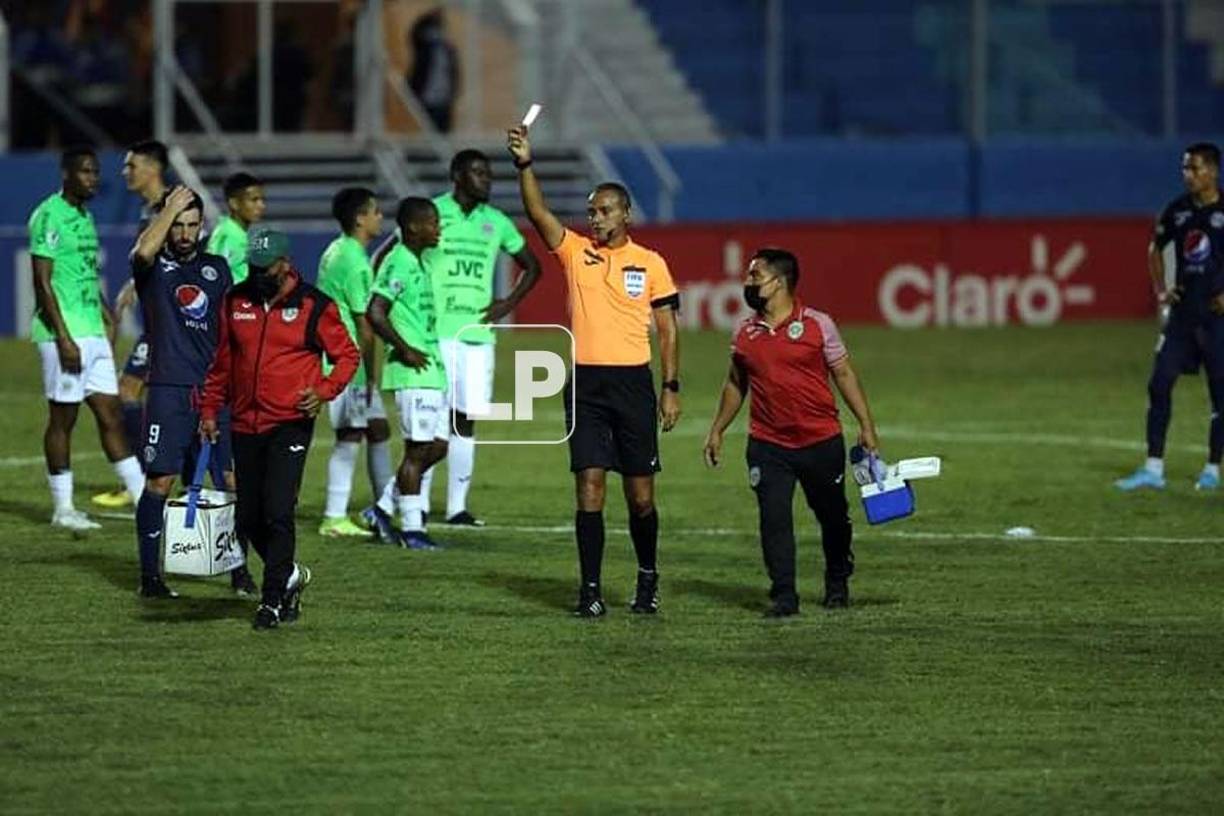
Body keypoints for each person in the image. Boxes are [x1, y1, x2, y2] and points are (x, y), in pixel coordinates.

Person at [507, 125, 681, 618]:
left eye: (605, 211)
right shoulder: (575, 252)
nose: (596, 219)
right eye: (592, 212)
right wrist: (525, 164)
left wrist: (670, 386)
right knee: (589, 486)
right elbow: (538, 214)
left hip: (633, 385)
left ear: (626, 214)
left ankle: (647, 577)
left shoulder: (651, 264)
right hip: (585, 385)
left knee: (640, 497)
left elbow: (667, 331)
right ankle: (590, 590)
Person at [703, 249, 879, 616]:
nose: (747, 283)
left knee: (832, 516)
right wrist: (717, 429)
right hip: (768, 445)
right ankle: (784, 595)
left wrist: (866, 424)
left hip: (820, 441)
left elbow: (843, 373)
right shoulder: (745, 332)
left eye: (755, 276)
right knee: (774, 519)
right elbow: (736, 383)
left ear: (779, 282)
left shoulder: (818, 325)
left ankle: (837, 580)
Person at [199, 228, 359, 630]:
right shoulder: (235, 301)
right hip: (244, 422)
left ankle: (270, 602)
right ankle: (287, 574)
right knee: (248, 516)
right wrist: (209, 409)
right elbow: (223, 362)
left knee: (278, 511)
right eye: (253, 268)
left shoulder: (314, 305)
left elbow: (346, 356)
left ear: (285, 263)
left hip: (290, 423)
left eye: (265, 268)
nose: (258, 275)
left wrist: (323, 391)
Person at [127, 185, 255, 599]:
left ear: (202, 227)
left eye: (192, 225)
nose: (185, 234)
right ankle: (151, 578)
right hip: (169, 390)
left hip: (215, 392)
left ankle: (239, 570)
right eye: (178, 225)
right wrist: (168, 210)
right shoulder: (152, 267)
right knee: (160, 482)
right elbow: (142, 253)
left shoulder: (217, 269)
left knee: (231, 481)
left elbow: (232, 330)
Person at [418, 149, 542, 527]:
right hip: (434, 332)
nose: (487, 179)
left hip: (477, 335)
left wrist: (508, 303)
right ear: (458, 175)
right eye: (478, 173)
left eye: (488, 174)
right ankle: (416, 503)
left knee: (465, 420)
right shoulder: (431, 213)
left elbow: (533, 267)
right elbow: (394, 253)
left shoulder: (497, 221)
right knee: (431, 422)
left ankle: (457, 508)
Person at [30, 146, 147, 531]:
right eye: (85, 172)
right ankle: (63, 509)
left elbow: (83, 271)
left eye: (96, 172)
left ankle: (144, 498)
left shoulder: (85, 216)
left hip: (92, 331)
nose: (93, 179)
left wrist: (104, 312)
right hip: (63, 334)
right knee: (63, 419)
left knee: (110, 414)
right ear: (66, 174)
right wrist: (64, 338)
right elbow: (42, 282)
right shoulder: (49, 214)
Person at [1116, 142, 1224, 492]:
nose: (1187, 175)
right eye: (1185, 168)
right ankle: (1153, 469)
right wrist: (1162, 291)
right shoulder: (1177, 210)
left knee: (1220, 394)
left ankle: (1212, 469)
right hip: (1182, 316)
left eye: (1194, 168)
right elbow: (1155, 249)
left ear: (1212, 171)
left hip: (1217, 318)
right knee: (1159, 383)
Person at [365, 198, 450, 551]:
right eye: (433, 222)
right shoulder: (399, 260)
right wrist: (404, 349)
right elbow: (375, 311)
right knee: (417, 451)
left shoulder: (418, 261)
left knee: (438, 447)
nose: (438, 228)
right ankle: (413, 530)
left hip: (431, 371)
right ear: (413, 227)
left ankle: (383, 508)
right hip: (413, 373)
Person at [92, 139, 172, 509]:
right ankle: (151, 477)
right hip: (157, 321)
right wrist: (133, 286)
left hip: (170, 324)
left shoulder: (173, 207)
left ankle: (147, 479)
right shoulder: (149, 210)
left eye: (132, 165)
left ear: (153, 168)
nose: (126, 172)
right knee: (145, 397)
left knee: (128, 392)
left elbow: (187, 258)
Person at [315, 187, 393, 538]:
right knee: (350, 435)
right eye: (375, 211)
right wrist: (370, 375)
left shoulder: (336, 249)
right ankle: (333, 517)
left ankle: (384, 508)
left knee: (378, 429)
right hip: (347, 361)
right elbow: (366, 325)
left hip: (332, 353)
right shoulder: (356, 263)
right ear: (360, 218)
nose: (380, 217)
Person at [206, 172, 266, 285]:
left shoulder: (233, 231)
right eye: (254, 200)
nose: (261, 206)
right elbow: (214, 278)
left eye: (262, 200)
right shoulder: (228, 236)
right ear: (234, 203)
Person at [407, 8, 458, 133]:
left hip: (443, 100)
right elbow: (414, 33)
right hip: (428, 98)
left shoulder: (447, 48)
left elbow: (454, 73)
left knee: (443, 134)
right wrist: (429, 16)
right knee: (428, 132)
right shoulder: (425, 45)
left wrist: (452, 93)